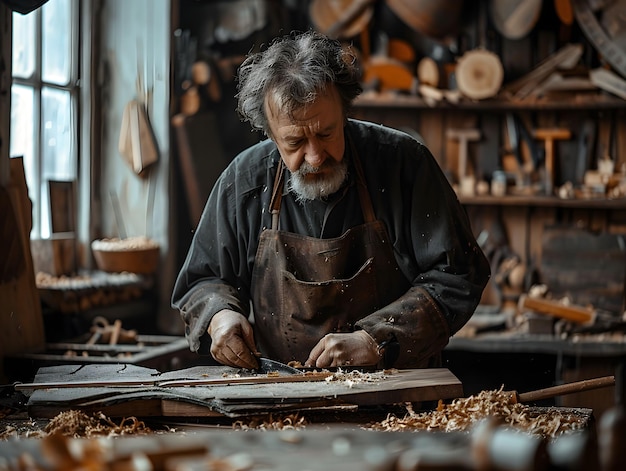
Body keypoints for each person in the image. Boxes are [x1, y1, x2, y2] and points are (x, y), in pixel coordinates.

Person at [171, 30, 491, 371]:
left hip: (398, 396)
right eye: (294, 143)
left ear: (345, 110)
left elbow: (457, 274)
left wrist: (377, 338)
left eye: (326, 133)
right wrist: (219, 316)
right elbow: (202, 281)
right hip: (278, 396)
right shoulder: (245, 180)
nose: (315, 156)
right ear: (270, 134)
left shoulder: (403, 164)